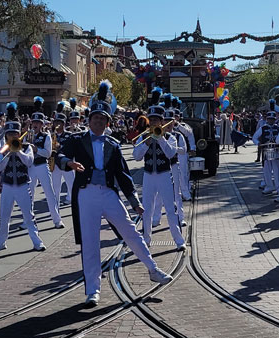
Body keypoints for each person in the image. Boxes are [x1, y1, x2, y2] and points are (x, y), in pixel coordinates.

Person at [56, 80, 173, 307]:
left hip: (108, 193)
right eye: (95, 118)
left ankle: (153, 269)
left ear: (108, 122)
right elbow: (59, 156)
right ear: (89, 120)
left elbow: (123, 175)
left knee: (131, 231)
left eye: (103, 119)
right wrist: (69, 163)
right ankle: (93, 290)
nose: (99, 122)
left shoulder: (113, 144)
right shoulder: (77, 140)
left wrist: (134, 202)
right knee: (90, 243)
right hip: (86, 194)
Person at [132, 88, 186, 250]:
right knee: (147, 210)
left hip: (164, 175)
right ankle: (146, 240)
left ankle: (179, 241)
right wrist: (147, 143)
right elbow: (136, 157)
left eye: (157, 120)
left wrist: (160, 138)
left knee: (170, 209)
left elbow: (170, 154)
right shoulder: (142, 137)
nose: (154, 122)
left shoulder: (170, 137)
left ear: (162, 122)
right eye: (152, 120)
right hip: (148, 176)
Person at [0, 121, 46, 252]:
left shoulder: (26, 147)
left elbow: (29, 162)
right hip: (8, 186)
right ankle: (0, 242)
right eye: (9, 134)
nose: (12, 136)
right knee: (4, 216)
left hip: (23, 185)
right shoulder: (3, 149)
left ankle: (37, 242)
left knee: (28, 215)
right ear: (6, 136)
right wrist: (8, 153)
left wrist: (18, 151)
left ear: (19, 134)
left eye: (15, 134)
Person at [152, 97, 187, 227]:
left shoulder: (178, 136)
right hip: (162, 167)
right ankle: (156, 218)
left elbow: (184, 150)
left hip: (173, 165)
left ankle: (181, 217)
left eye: (170, 121)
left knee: (177, 193)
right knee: (158, 194)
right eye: (165, 121)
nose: (168, 124)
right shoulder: (158, 134)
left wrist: (173, 149)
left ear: (174, 122)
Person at [27, 112, 64, 229]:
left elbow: (48, 154)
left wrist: (36, 149)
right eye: (34, 122)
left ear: (42, 124)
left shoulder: (46, 136)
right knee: (29, 194)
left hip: (42, 165)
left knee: (49, 193)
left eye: (38, 123)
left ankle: (57, 220)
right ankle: (28, 219)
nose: (35, 124)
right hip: (31, 166)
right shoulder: (27, 135)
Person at [253, 111, 279, 195]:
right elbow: (254, 137)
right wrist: (258, 143)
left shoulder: (278, 128)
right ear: (267, 119)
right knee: (267, 170)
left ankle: (278, 187)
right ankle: (269, 186)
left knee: (277, 170)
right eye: (270, 119)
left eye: (273, 119)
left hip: (276, 151)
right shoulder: (263, 128)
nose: (271, 121)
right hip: (266, 150)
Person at [51, 108, 73, 207]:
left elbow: (70, 148)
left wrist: (60, 146)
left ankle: (71, 199)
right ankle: (55, 201)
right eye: (56, 122)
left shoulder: (69, 135)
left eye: (59, 122)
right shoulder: (51, 135)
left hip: (66, 162)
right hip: (55, 162)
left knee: (71, 184)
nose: (57, 124)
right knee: (55, 185)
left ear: (64, 124)